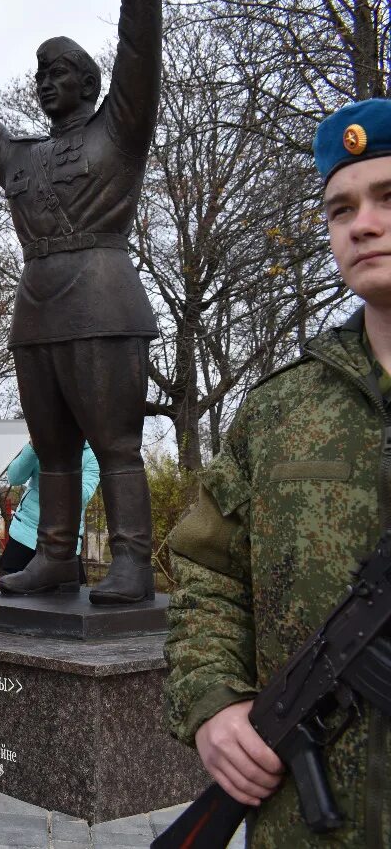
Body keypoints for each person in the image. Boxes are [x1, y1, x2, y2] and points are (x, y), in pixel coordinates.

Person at [163, 99, 391, 846]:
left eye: (388, 198)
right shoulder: (279, 407)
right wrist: (214, 702)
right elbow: (206, 569)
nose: (362, 223)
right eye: (340, 208)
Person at [0, 0, 162, 604]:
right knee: (52, 447)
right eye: (41, 76)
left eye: (59, 74)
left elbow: (140, 52)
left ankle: (131, 561)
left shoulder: (119, 129)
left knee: (115, 444)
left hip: (103, 299)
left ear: (90, 85)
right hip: (37, 306)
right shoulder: (21, 156)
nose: (46, 84)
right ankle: (54, 556)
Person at [0, 442, 99, 584]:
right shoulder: (42, 442)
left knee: (63, 602)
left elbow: (82, 498)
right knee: (14, 599)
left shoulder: (90, 456)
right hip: (26, 534)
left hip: (64, 542)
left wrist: (64, 462)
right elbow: (15, 478)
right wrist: (32, 447)